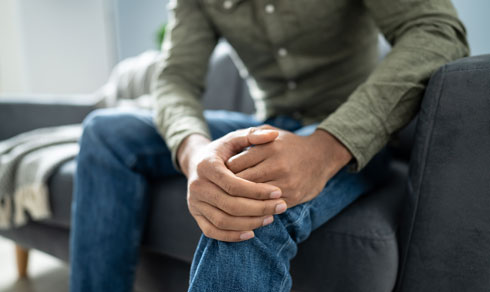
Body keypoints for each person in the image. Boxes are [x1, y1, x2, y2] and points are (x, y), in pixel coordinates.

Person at [69, 0, 469, 291]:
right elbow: (175, 78)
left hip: (352, 130)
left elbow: (436, 30)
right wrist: (195, 157)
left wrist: (324, 148)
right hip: (270, 123)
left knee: (253, 193)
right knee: (107, 132)